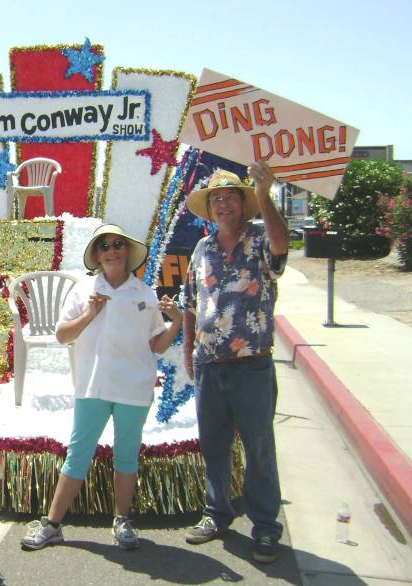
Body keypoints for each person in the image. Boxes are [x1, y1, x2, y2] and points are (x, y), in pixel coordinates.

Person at [21, 223, 182, 551]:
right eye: (104, 246)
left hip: (134, 389)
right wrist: (91, 313)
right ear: (96, 254)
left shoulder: (144, 294)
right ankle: (52, 525)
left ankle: (122, 522)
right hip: (92, 386)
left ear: (127, 251)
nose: (111, 251)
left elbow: (157, 345)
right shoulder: (83, 290)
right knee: (78, 455)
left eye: (117, 244)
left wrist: (177, 321)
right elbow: (63, 334)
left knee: (126, 457)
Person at [181, 162, 289, 564]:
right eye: (217, 199)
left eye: (230, 197)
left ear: (244, 205)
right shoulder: (202, 249)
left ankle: (264, 527)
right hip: (210, 364)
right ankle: (216, 513)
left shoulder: (261, 238)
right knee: (214, 446)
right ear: (210, 210)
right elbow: (190, 302)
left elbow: (281, 250)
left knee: (259, 447)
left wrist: (265, 193)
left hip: (251, 365)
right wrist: (190, 344)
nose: (223, 204)